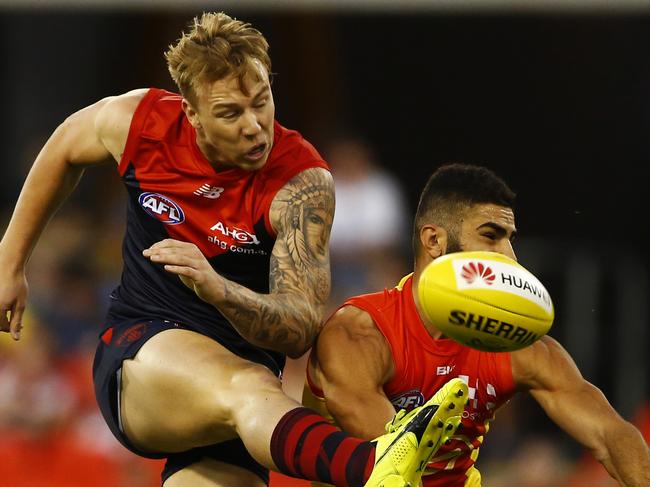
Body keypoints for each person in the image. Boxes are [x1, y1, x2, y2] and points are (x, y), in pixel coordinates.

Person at [0, 11, 470, 487]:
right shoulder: (139, 123)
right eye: (230, 113)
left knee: (247, 388)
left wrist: (218, 289)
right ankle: (374, 466)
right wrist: (10, 261)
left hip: (246, 406)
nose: (254, 127)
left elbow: (300, 327)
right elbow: (63, 147)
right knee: (248, 386)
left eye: (261, 102)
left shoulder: (301, 183)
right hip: (144, 352)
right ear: (191, 112)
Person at [305, 163, 650, 486]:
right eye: (491, 236)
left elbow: (611, 435)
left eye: (510, 239)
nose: (510, 257)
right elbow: (394, 469)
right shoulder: (359, 335)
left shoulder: (514, 344)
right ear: (434, 241)